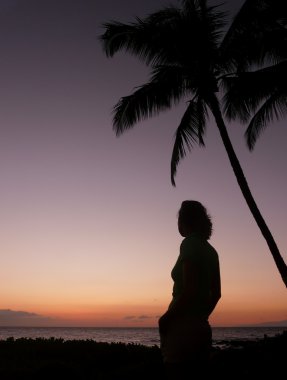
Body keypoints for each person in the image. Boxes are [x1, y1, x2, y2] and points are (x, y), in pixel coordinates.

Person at [158, 200, 221, 378]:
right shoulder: (211, 251)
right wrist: (200, 316)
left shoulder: (189, 243)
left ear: (184, 221)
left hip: (181, 329)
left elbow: (190, 289)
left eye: (178, 219)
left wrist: (165, 319)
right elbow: (216, 294)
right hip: (202, 329)